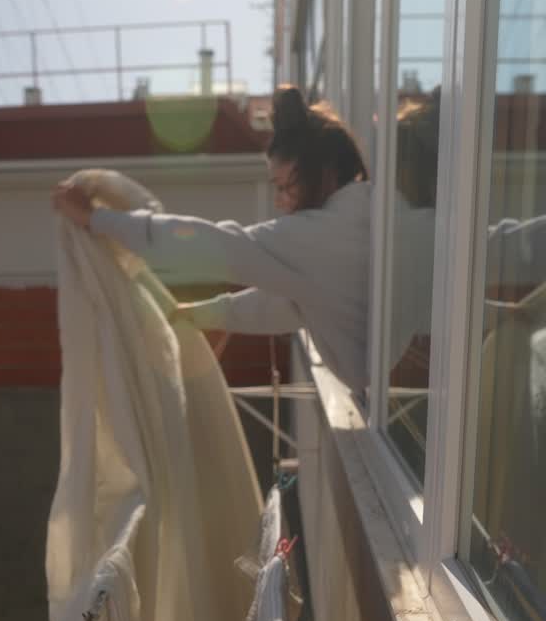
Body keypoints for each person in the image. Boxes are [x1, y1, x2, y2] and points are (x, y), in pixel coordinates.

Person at [52, 85, 371, 392]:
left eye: (284, 186)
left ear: (325, 172)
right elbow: (285, 304)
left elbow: (210, 245)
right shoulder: (360, 220)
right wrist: (200, 314)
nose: (279, 201)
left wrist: (96, 219)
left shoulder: (320, 235)